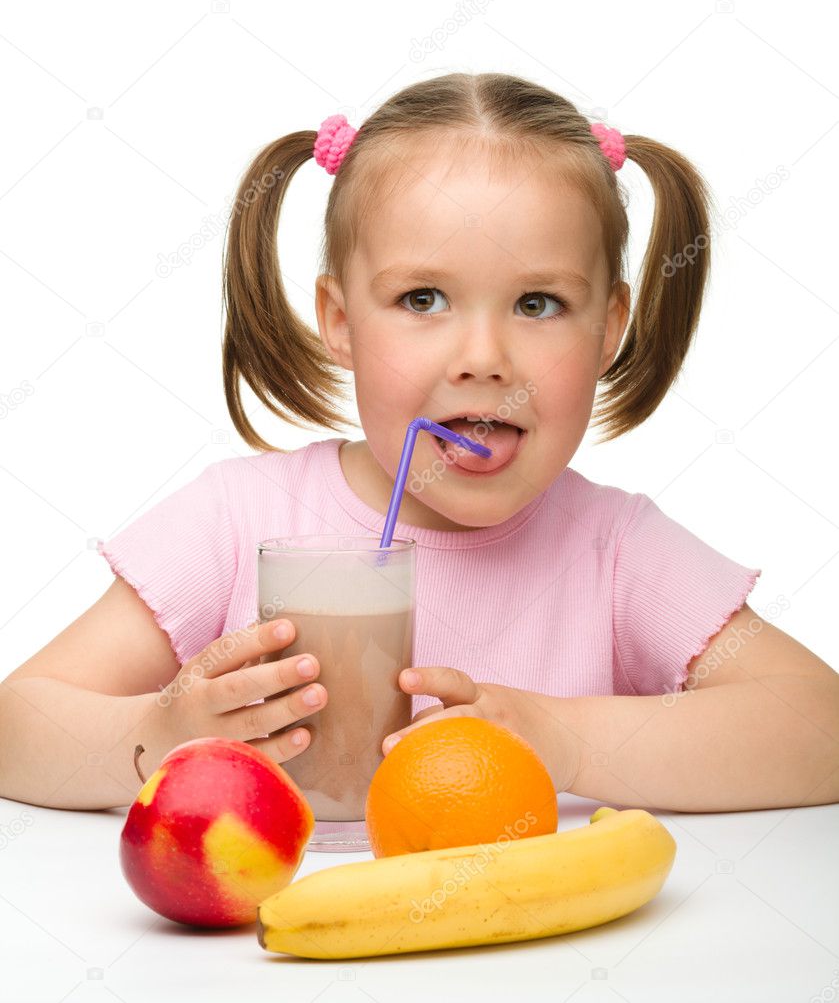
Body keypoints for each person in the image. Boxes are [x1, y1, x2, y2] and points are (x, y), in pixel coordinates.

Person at [2, 72, 836, 814]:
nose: (482, 359)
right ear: (338, 321)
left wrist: (568, 739)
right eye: (424, 298)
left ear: (609, 327)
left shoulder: (617, 550)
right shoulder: (236, 518)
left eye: (538, 303)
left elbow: (819, 726)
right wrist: (159, 737)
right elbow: (18, 722)